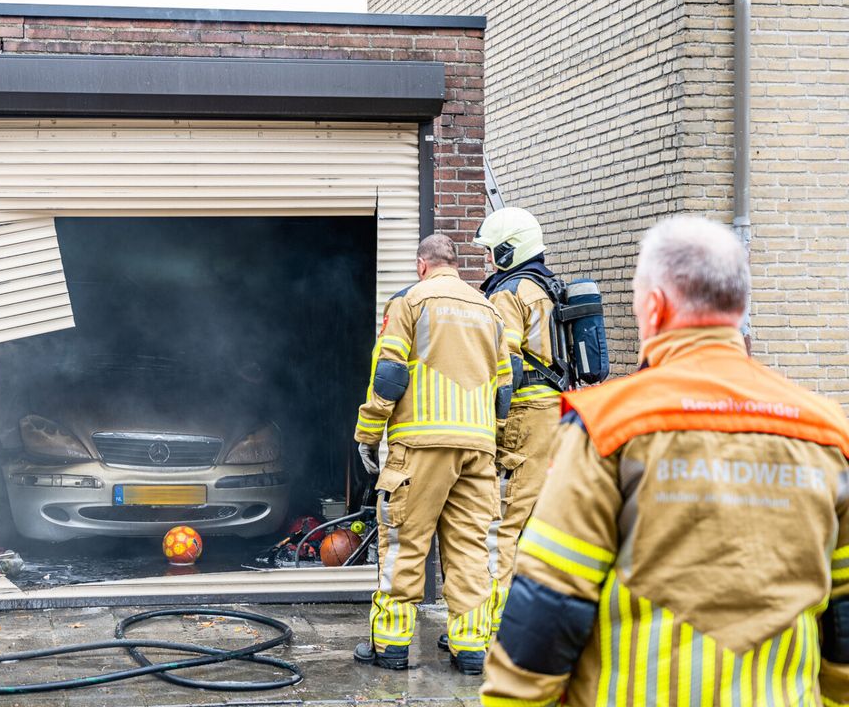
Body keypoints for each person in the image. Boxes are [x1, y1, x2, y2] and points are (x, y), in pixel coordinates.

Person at [481, 215, 849, 705]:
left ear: (653, 307)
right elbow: (843, 621)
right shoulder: (828, 432)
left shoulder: (606, 426)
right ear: (738, 307)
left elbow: (551, 602)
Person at [353, 234, 512, 674]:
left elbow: (388, 375)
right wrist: (492, 440)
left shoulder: (410, 302)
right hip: (477, 451)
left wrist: (368, 434)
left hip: (419, 448)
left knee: (405, 545)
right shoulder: (490, 310)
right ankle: (471, 649)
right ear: (454, 265)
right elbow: (505, 389)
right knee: (470, 552)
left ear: (422, 265)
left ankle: (390, 647)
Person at [472, 206, 562, 630]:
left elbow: (501, 363)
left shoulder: (510, 291)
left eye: (491, 252)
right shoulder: (544, 286)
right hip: (549, 413)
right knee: (532, 521)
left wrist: (493, 425)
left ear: (510, 251)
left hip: (523, 414)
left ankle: (494, 626)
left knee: (504, 523)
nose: (487, 260)